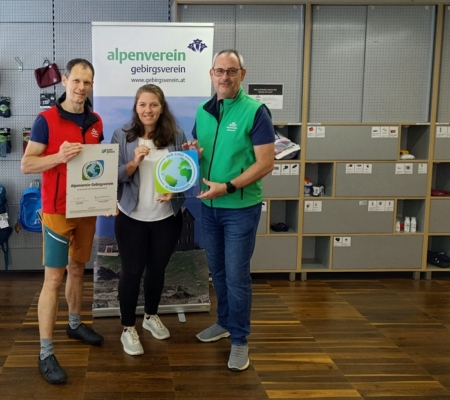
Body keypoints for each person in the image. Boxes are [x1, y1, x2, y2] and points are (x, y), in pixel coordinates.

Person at [183, 49, 275, 371]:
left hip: (240, 207)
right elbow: (202, 148)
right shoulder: (203, 111)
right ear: (211, 74)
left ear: (242, 74)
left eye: (231, 71)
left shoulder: (255, 111)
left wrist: (229, 186)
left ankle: (239, 339)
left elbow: (266, 163)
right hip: (208, 206)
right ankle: (223, 323)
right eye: (219, 71)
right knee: (218, 272)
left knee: (237, 276)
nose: (225, 77)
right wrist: (193, 150)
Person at [21, 58, 105, 384]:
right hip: (56, 211)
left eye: (87, 82)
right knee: (53, 280)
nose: (81, 87)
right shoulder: (46, 120)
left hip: (86, 209)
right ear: (66, 80)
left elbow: (98, 166)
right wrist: (59, 156)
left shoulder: (95, 121)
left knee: (77, 270)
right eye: (77, 81)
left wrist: (104, 197)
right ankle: (45, 351)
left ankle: (74, 324)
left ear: (92, 85)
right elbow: (27, 165)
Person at [111, 84, 186, 356]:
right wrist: (133, 163)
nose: (148, 110)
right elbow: (112, 175)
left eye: (153, 104)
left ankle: (151, 316)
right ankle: (128, 327)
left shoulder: (176, 135)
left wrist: (175, 190)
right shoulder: (122, 135)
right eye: (142, 104)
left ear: (161, 107)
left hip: (167, 218)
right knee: (131, 273)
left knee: (157, 270)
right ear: (136, 107)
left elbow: (185, 172)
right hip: (132, 217)